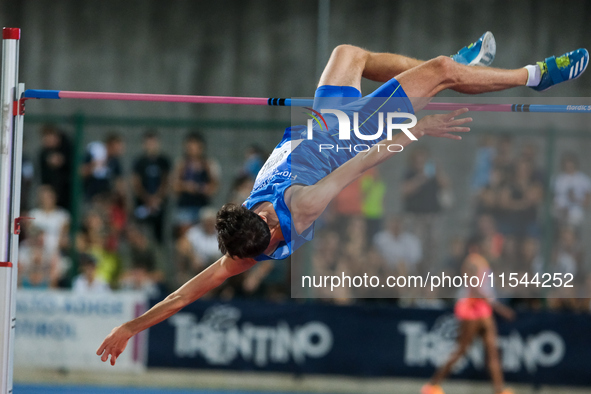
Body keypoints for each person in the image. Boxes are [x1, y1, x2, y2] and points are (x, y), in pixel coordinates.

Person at [98, 32, 588, 365]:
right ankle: (533, 75)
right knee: (440, 72)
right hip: (355, 133)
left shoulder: (239, 237)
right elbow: (364, 161)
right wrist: (418, 128)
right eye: (265, 214)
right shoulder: (299, 210)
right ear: (269, 234)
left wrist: (130, 325)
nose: (264, 207)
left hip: (321, 121)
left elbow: (181, 293)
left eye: (257, 207)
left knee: (349, 52)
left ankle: (461, 66)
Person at [421, 236, 515, 394]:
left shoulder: (483, 263)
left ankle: (500, 390)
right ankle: (432, 385)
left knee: (492, 352)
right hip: (471, 310)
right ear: (477, 247)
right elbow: (475, 289)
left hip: (484, 310)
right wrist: (499, 308)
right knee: (461, 350)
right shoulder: (472, 262)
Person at [132, 130, 172, 243]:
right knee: (141, 231)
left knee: (159, 235)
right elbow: (136, 183)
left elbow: (166, 181)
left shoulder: (163, 161)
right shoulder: (139, 162)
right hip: (143, 203)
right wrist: (147, 199)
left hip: (159, 204)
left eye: (153, 142)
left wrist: (157, 198)